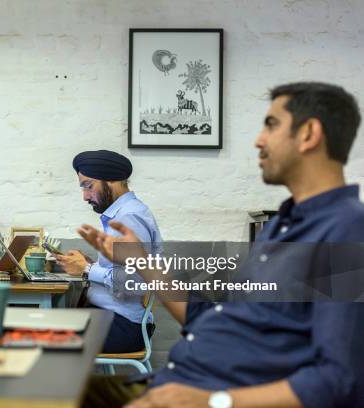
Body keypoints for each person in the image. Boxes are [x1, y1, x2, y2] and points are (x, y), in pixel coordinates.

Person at [78, 82, 364, 408]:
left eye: (271, 125)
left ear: (309, 133)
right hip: (177, 381)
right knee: (41, 384)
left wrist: (214, 400)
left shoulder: (345, 229)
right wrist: (141, 261)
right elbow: (206, 319)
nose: (259, 140)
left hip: (203, 393)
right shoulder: (282, 225)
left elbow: (340, 381)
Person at [56, 150, 162, 353]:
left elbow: (134, 282)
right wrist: (90, 264)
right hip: (110, 318)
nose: (85, 196)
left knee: (43, 338)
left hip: (123, 326)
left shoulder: (128, 218)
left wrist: (86, 269)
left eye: (89, 186)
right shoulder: (122, 214)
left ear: (111, 181)